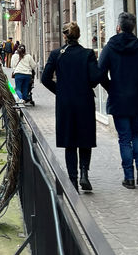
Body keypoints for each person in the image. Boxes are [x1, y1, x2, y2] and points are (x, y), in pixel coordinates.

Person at [98, 12, 138, 189]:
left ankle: (129, 177)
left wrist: (111, 87)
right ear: (133, 27)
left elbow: (99, 73)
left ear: (118, 27)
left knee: (124, 138)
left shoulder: (110, 47)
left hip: (119, 100)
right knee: (137, 134)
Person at [41, 22, 101, 191]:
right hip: (85, 101)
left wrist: (60, 91)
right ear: (79, 35)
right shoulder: (87, 54)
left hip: (65, 103)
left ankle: (73, 180)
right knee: (85, 138)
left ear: (65, 36)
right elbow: (95, 78)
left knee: (70, 141)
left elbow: (45, 79)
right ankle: (84, 174)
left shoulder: (56, 54)